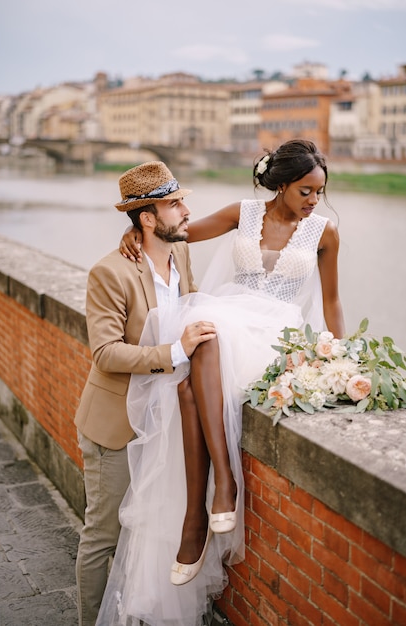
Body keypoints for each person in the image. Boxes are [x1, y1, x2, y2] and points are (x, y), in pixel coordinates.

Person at [97, 139, 345, 626]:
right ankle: (219, 490)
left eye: (319, 192)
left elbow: (332, 302)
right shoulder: (243, 213)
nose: (313, 200)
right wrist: (130, 234)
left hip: (275, 332)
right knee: (202, 345)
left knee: (197, 369)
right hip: (230, 316)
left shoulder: (323, 232)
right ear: (279, 184)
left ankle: (201, 510)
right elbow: (175, 234)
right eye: (305, 191)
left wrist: (337, 355)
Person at [73, 161, 217, 626]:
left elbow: (192, 313)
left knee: (151, 532)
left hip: (166, 423)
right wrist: (176, 349)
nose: (186, 210)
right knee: (104, 535)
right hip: (116, 426)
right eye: (175, 204)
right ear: (147, 218)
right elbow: (105, 354)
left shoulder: (182, 257)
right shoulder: (109, 272)